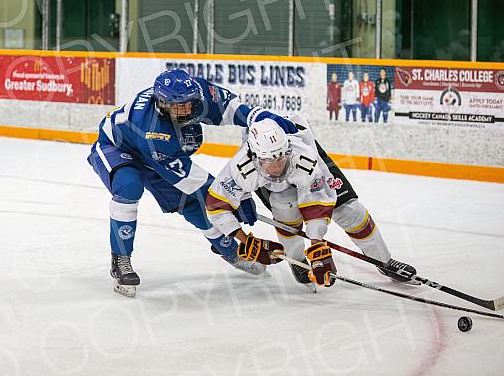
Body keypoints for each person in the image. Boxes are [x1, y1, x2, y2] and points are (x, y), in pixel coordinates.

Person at [87, 69, 295, 297]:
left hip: (156, 156)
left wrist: (262, 117)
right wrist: (232, 198)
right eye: (178, 106)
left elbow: (232, 110)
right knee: (130, 187)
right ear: (162, 104)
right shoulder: (155, 132)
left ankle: (231, 252)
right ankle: (121, 260)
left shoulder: (199, 93)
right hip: (116, 147)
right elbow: (194, 181)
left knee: (195, 205)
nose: (186, 109)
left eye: (189, 103)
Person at [204, 112, 417, 291]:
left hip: (308, 160)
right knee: (286, 211)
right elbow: (216, 206)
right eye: (270, 161)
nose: (278, 167)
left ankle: (384, 261)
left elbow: (316, 203)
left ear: (287, 150)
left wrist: (317, 245)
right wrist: (245, 240)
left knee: (350, 212)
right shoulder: (241, 168)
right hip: (271, 181)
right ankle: (297, 261)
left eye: (281, 159)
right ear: (255, 156)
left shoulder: (303, 157)